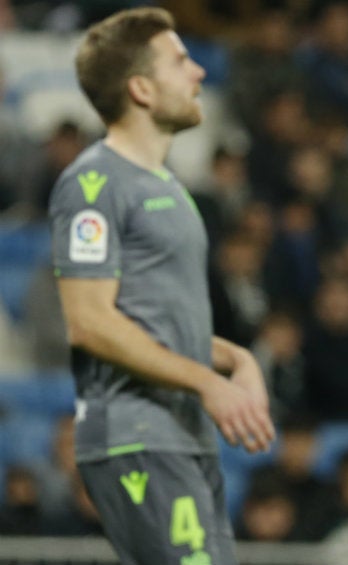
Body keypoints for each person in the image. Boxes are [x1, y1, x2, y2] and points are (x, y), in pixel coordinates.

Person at [47, 8, 275, 565]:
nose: (198, 72)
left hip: (181, 434)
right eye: (180, 61)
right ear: (141, 88)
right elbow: (91, 320)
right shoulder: (93, 183)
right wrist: (209, 382)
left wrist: (233, 358)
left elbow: (154, 319)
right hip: (137, 434)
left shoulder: (171, 188)